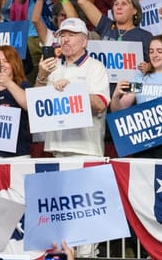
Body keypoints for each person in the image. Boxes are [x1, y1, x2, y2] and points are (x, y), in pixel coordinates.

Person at [36, 17, 111, 157]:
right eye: (62, 35)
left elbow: (100, 104)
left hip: (87, 148)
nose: (65, 39)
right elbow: (36, 107)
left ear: (84, 41)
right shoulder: (52, 66)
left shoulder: (95, 67)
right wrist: (41, 76)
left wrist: (72, 90)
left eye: (71, 35)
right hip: (57, 147)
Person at [110, 36, 162, 159]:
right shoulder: (140, 79)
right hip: (143, 144)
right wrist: (116, 95)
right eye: (151, 51)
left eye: (160, 51)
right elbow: (118, 111)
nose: (154, 55)